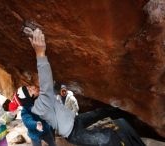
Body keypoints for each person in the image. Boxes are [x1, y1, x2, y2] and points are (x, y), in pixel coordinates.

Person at [16, 28, 145, 146]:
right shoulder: (40, 105)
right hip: (73, 133)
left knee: (101, 112)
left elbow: (53, 88)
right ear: (31, 97)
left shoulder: (41, 102)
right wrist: (40, 54)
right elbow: (46, 84)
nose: (32, 87)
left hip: (75, 120)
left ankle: (130, 114)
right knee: (107, 137)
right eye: (29, 90)